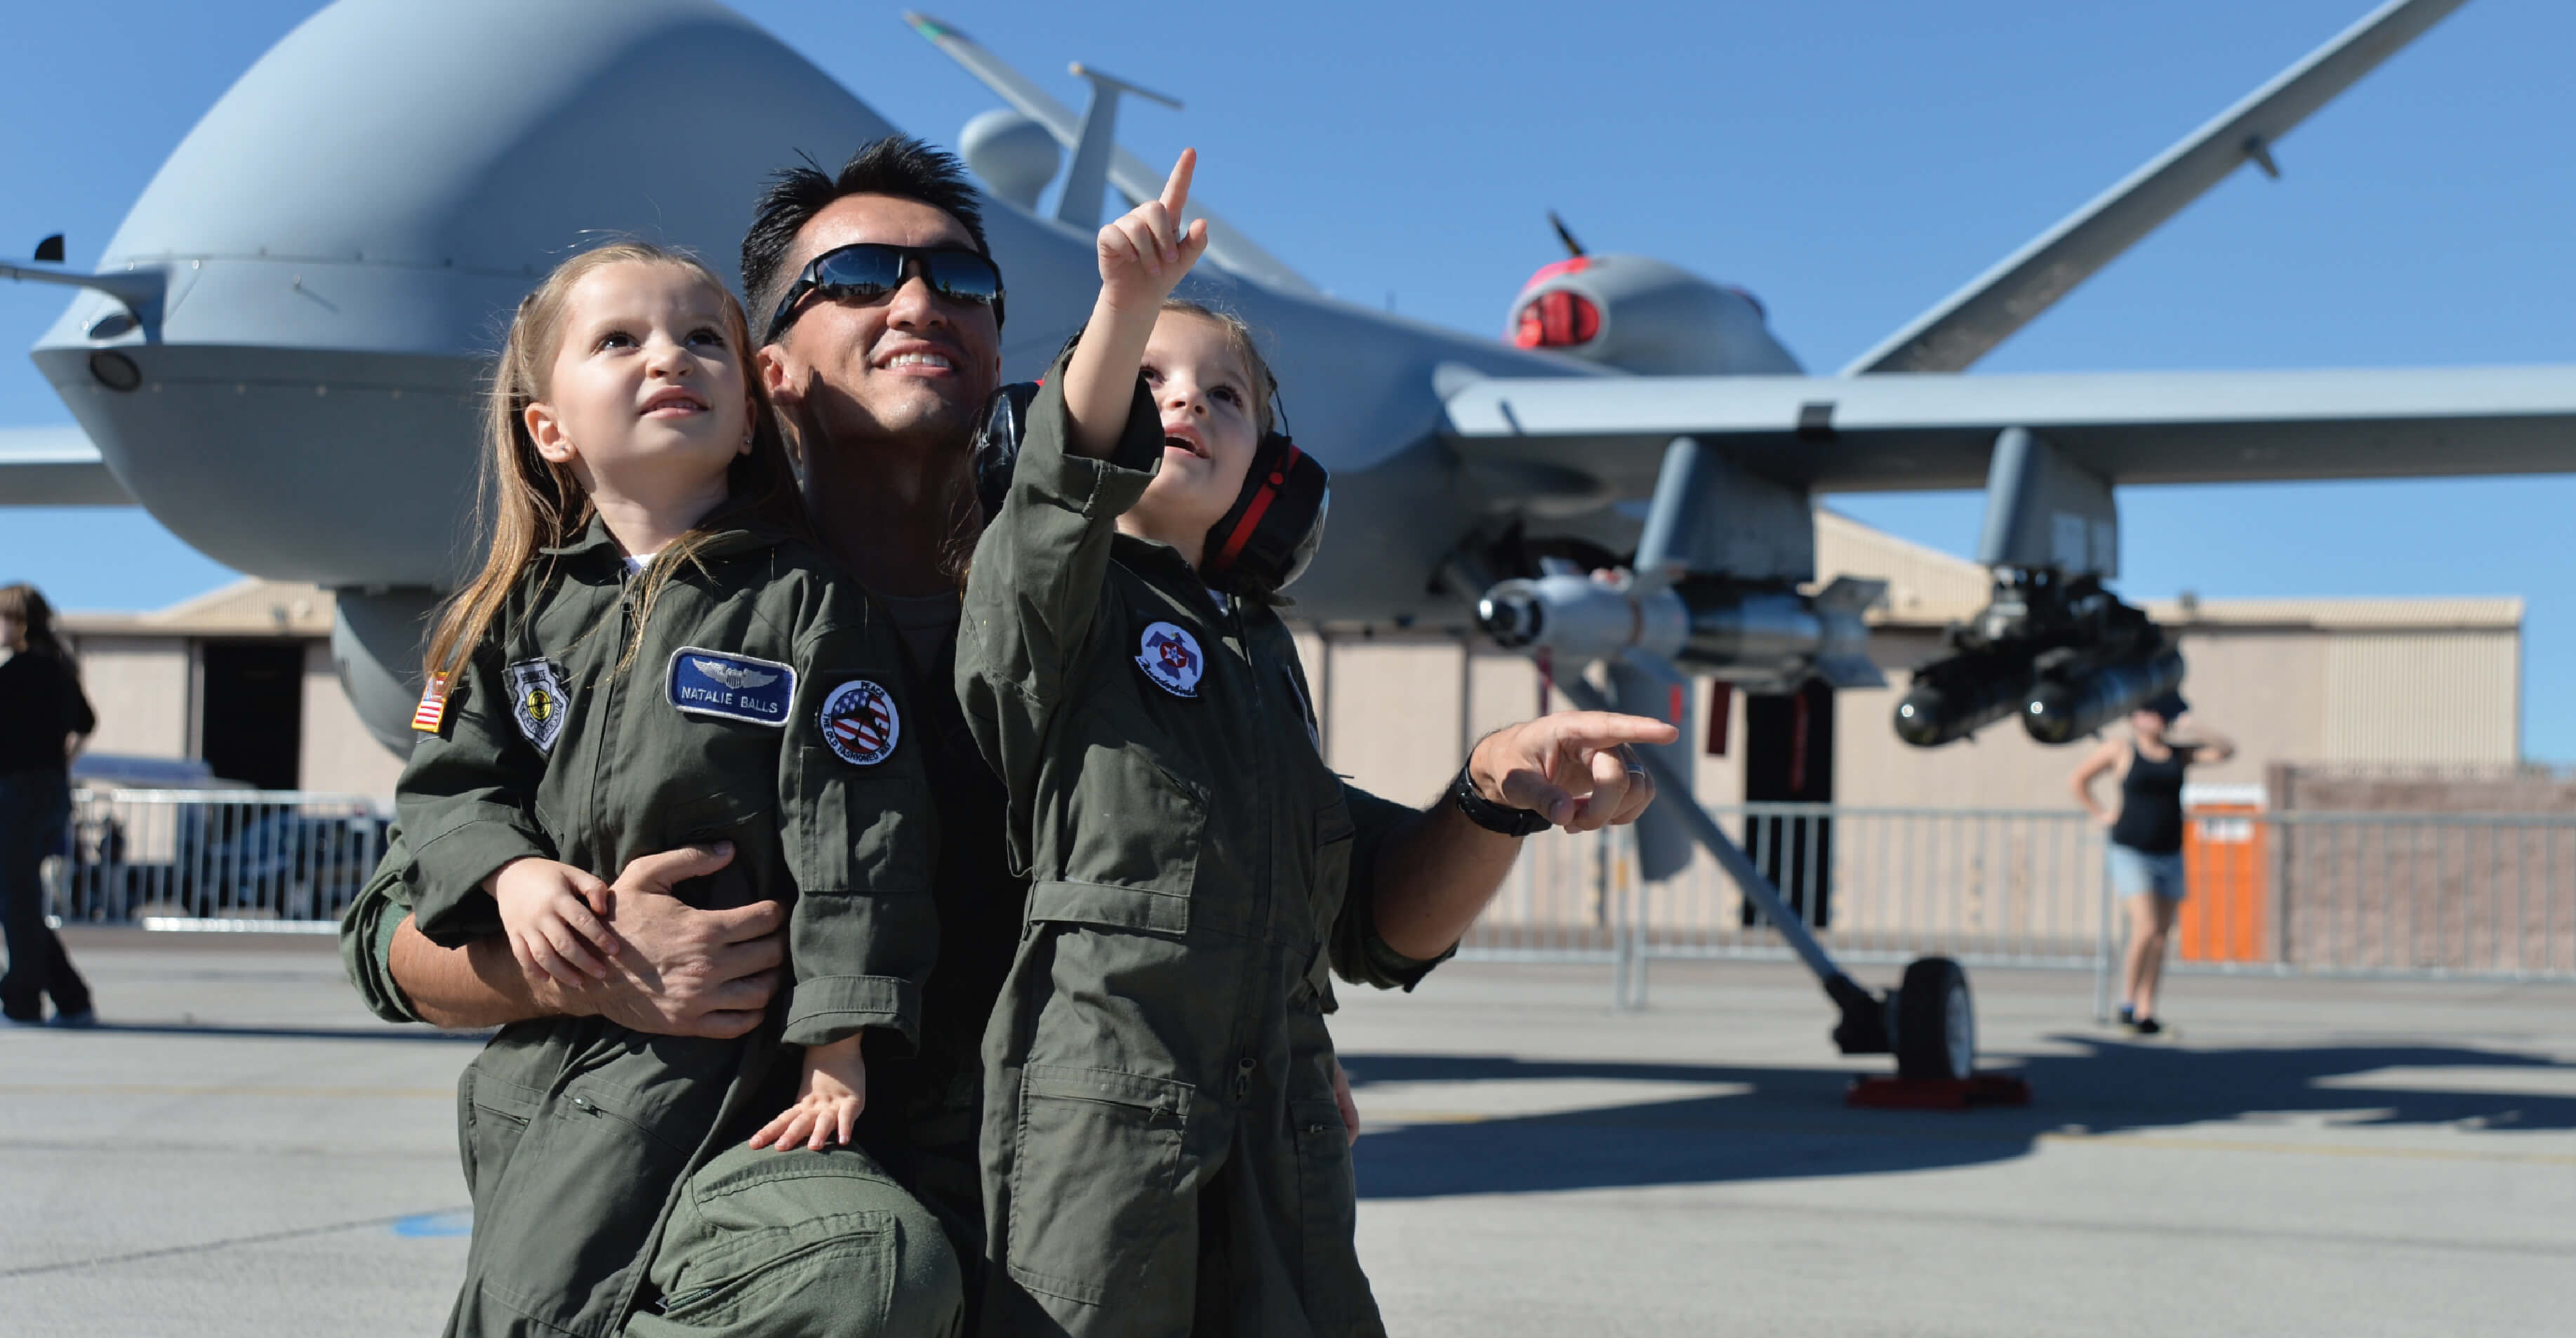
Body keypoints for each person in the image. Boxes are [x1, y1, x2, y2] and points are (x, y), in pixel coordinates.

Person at [338, 135, 1664, 1336]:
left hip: (1062, 1236)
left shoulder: (1130, 638)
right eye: (857, 275)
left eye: (960, 283)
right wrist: (591, 965)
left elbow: (1360, 907)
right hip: (724, 1215)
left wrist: (1492, 793)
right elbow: (395, 936)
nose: (918, 303)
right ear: (769, 373)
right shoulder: (665, 627)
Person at [386, 239, 941, 1335]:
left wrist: (837, 1037)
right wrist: (510, 876)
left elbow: (860, 833)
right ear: (549, 427)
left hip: (738, 1072)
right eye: (618, 340)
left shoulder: (805, 605)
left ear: (748, 417)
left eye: (701, 339)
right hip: (549, 1074)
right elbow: (442, 794)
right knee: (537, 1300)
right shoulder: (498, 620)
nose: (666, 358)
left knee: (865, 1269)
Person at [2071, 689, 2233, 1035]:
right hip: (2132, 850)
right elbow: (2078, 781)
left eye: (2158, 713)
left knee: (2160, 937)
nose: (2152, 719)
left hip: (2170, 852)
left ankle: (2147, 1010)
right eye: (2146, 712)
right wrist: (2100, 814)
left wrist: (2192, 725)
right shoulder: (2121, 749)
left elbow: (2226, 751)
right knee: (2144, 928)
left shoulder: (2179, 753)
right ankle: (2126, 1005)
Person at [0, 583, 96, 1028]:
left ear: (18, 622)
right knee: (18, 900)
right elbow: (86, 722)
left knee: (16, 901)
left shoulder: (17, 673)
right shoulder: (58, 668)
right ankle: (71, 997)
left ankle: (22, 1001)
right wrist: (59, 764)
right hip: (49, 793)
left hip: (18, 795)